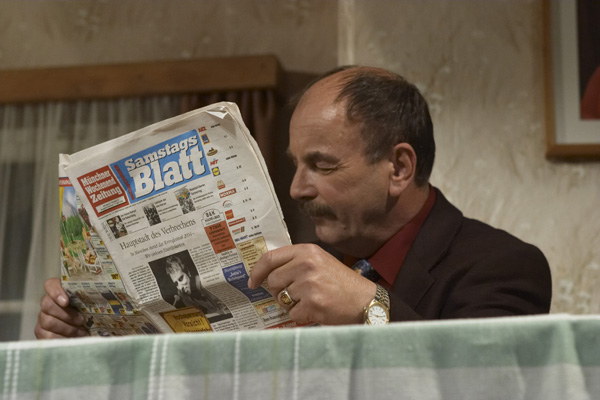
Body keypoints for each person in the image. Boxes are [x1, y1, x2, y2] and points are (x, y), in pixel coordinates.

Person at [34, 66, 551, 338]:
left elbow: (489, 385)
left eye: (322, 165)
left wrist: (370, 308)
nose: (298, 188)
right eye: (296, 164)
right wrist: (90, 340)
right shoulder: (294, 253)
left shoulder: (503, 266)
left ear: (398, 168)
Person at [164, 255, 229, 317]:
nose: (180, 286)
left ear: (188, 273)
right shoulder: (182, 294)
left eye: (181, 278)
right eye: (176, 283)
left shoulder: (202, 283)